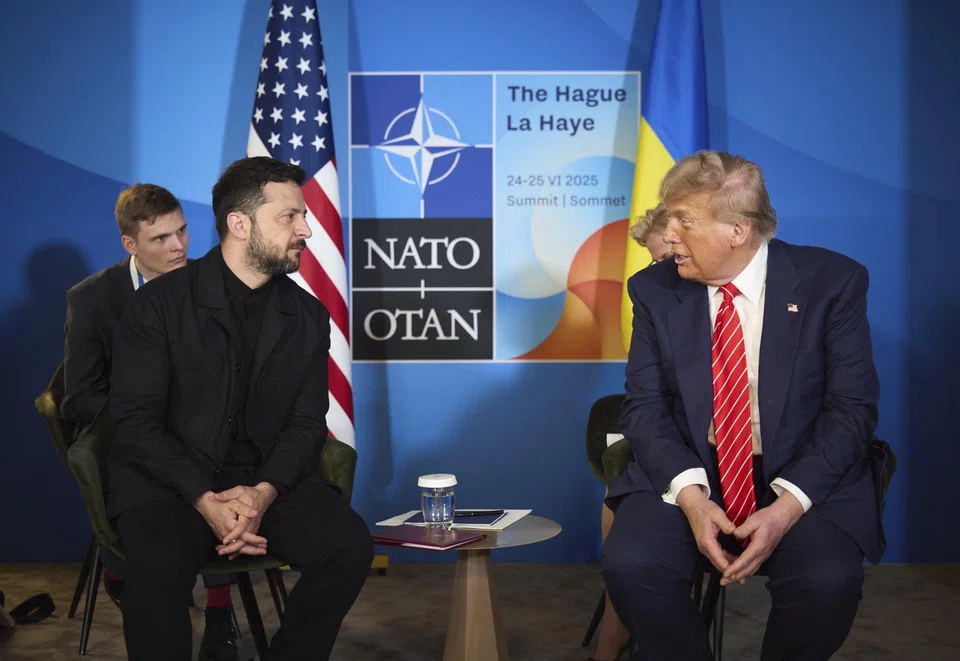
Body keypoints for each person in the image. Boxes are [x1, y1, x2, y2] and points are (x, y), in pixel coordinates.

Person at [602, 151, 883, 661]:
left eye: (684, 221)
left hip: (798, 472)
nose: (668, 236)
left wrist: (785, 508)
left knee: (827, 580)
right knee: (631, 564)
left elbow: (851, 409)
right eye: (668, 219)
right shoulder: (654, 289)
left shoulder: (832, 282)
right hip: (692, 467)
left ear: (737, 229)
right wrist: (690, 496)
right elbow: (643, 406)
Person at [106, 156, 373, 661]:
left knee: (349, 546)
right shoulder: (157, 307)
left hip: (265, 481)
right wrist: (205, 499)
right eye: (290, 216)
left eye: (305, 216)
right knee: (157, 562)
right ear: (239, 224)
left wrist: (262, 494)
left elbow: (304, 423)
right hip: (172, 486)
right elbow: (135, 423)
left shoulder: (309, 316)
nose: (307, 230)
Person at [61, 184, 241, 661]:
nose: (179, 245)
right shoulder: (94, 299)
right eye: (161, 238)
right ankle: (131, 575)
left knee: (226, 461)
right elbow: (79, 397)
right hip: (134, 443)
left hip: (207, 442)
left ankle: (220, 612)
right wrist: (147, 418)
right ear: (130, 245)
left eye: (182, 231)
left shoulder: (216, 285)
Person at [589, 204, 671, 661]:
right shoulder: (655, 304)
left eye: (665, 260)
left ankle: (614, 640)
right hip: (664, 441)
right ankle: (613, 636)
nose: (657, 272)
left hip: (734, 457)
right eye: (653, 261)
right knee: (618, 489)